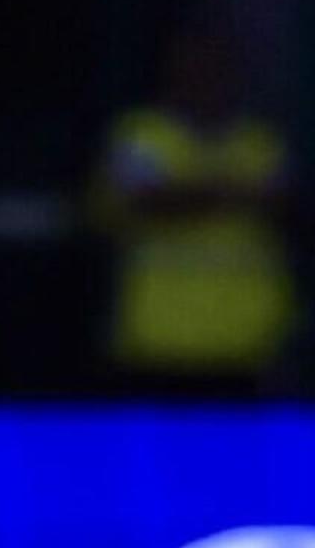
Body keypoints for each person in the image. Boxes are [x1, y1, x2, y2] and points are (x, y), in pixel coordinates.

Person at [92, 28, 295, 395]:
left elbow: (284, 204)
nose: (206, 76)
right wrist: (230, 191)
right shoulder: (143, 136)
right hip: (158, 343)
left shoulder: (258, 143)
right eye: (194, 64)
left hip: (246, 344)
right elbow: (145, 202)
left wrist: (202, 190)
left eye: (218, 67)